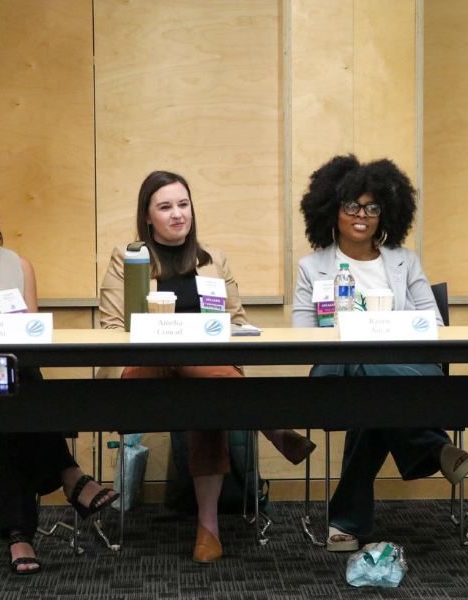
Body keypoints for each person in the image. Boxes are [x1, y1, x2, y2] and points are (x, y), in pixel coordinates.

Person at [99, 170, 316, 563]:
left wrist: (223, 333)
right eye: (165, 207)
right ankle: (274, 426)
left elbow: (235, 321)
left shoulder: (212, 259)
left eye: (183, 204)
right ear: (148, 216)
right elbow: (113, 328)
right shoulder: (128, 258)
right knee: (193, 358)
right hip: (141, 371)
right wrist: (174, 333)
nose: (178, 214)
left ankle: (209, 530)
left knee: (207, 396)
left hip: (204, 376)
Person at [0, 175, 118, 574]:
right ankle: (72, 476)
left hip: (10, 382)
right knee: (18, 389)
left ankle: (19, 535)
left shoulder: (20, 265)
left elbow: (32, 338)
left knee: (14, 390)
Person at [292, 155, 468, 551]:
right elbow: (301, 336)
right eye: (351, 206)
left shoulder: (404, 261)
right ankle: (433, 446)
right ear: (332, 209)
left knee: (373, 398)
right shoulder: (313, 267)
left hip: (404, 370)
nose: (362, 215)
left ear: (386, 214)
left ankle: (346, 522)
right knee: (363, 368)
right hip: (335, 373)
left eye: (372, 207)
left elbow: (435, 325)